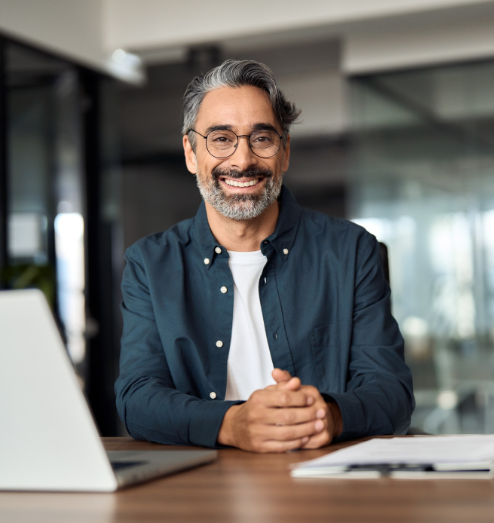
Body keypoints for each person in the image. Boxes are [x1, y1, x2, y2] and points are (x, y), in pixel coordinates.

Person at [115, 59, 414, 453]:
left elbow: (391, 391)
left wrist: (328, 413)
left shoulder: (351, 250)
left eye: (262, 138)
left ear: (285, 152)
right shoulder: (150, 264)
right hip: (202, 488)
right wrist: (231, 424)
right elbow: (136, 398)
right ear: (191, 153)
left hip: (326, 481)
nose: (242, 161)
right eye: (221, 139)